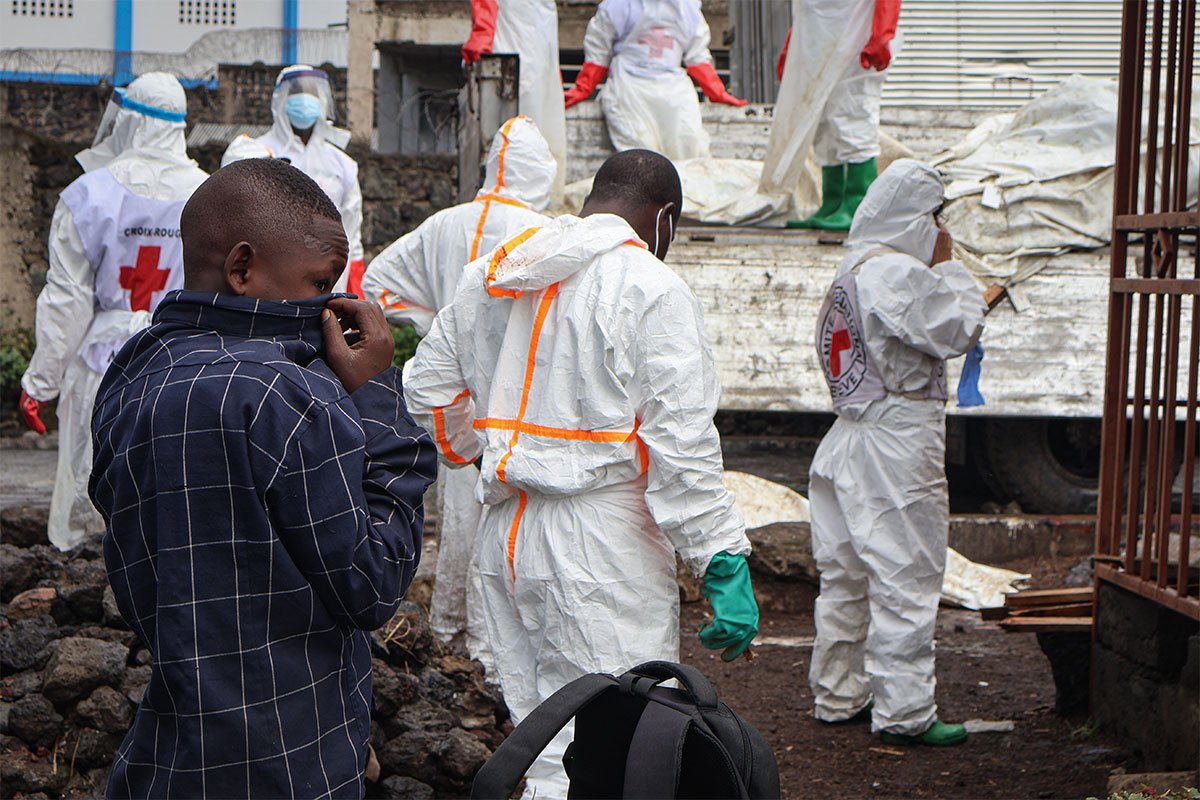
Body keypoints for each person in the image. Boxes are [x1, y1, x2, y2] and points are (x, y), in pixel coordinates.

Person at [404, 149, 759, 798]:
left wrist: (477, 447)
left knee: (546, 735)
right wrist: (721, 561)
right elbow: (679, 448)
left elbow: (426, 386)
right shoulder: (650, 288)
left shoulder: (496, 273)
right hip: (600, 548)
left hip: (507, 536)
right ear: (664, 220)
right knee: (618, 740)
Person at [90, 158, 437, 798]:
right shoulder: (287, 393)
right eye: (319, 284)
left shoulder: (132, 372)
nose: (331, 308)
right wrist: (381, 396)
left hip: (172, 753)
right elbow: (371, 585)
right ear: (242, 269)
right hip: (291, 751)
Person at [360, 116, 555, 663]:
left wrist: (434, 324)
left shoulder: (444, 224)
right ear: (542, 174)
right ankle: (491, 652)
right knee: (505, 518)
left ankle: (447, 636)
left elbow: (377, 281)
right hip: (514, 395)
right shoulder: (546, 233)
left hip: (449, 392)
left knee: (457, 513)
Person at [807, 159, 984, 746]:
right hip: (896, 439)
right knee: (906, 572)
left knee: (846, 575)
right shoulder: (895, 273)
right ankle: (906, 713)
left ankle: (838, 694)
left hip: (849, 435)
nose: (940, 230)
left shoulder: (852, 268)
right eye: (935, 217)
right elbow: (955, 330)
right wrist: (955, 270)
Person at [18, 72, 207, 551]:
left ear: (128, 120)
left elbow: (67, 300)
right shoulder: (211, 196)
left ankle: (77, 587)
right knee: (171, 488)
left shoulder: (89, 195)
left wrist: (40, 383)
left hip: (100, 361)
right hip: (182, 362)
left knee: (87, 479)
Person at [222, 65, 366, 295]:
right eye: (297, 92)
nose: (304, 100)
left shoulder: (342, 163)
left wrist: (352, 284)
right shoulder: (256, 151)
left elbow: (352, 229)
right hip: (274, 271)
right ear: (281, 100)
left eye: (311, 93)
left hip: (329, 276)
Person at [761, 0, 900, 230]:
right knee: (823, 122)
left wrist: (881, 34)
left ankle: (858, 202)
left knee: (852, 115)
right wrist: (793, 45)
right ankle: (833, 201)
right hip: (821, 41)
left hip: (855, 41)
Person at [565, 0, 746, 162]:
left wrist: (718, 93)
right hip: (630, 86)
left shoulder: (687, 8)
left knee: (689, 145)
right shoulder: (617, 5)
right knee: (640, 154)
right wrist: (583, 88)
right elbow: (599, 50)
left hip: (674, 89)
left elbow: (697, 57)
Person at [462, 0, 568, 197]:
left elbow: (485, 13)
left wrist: (480, 43)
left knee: (520, 141)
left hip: (520, 77)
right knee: (534, 140)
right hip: (528, 75)